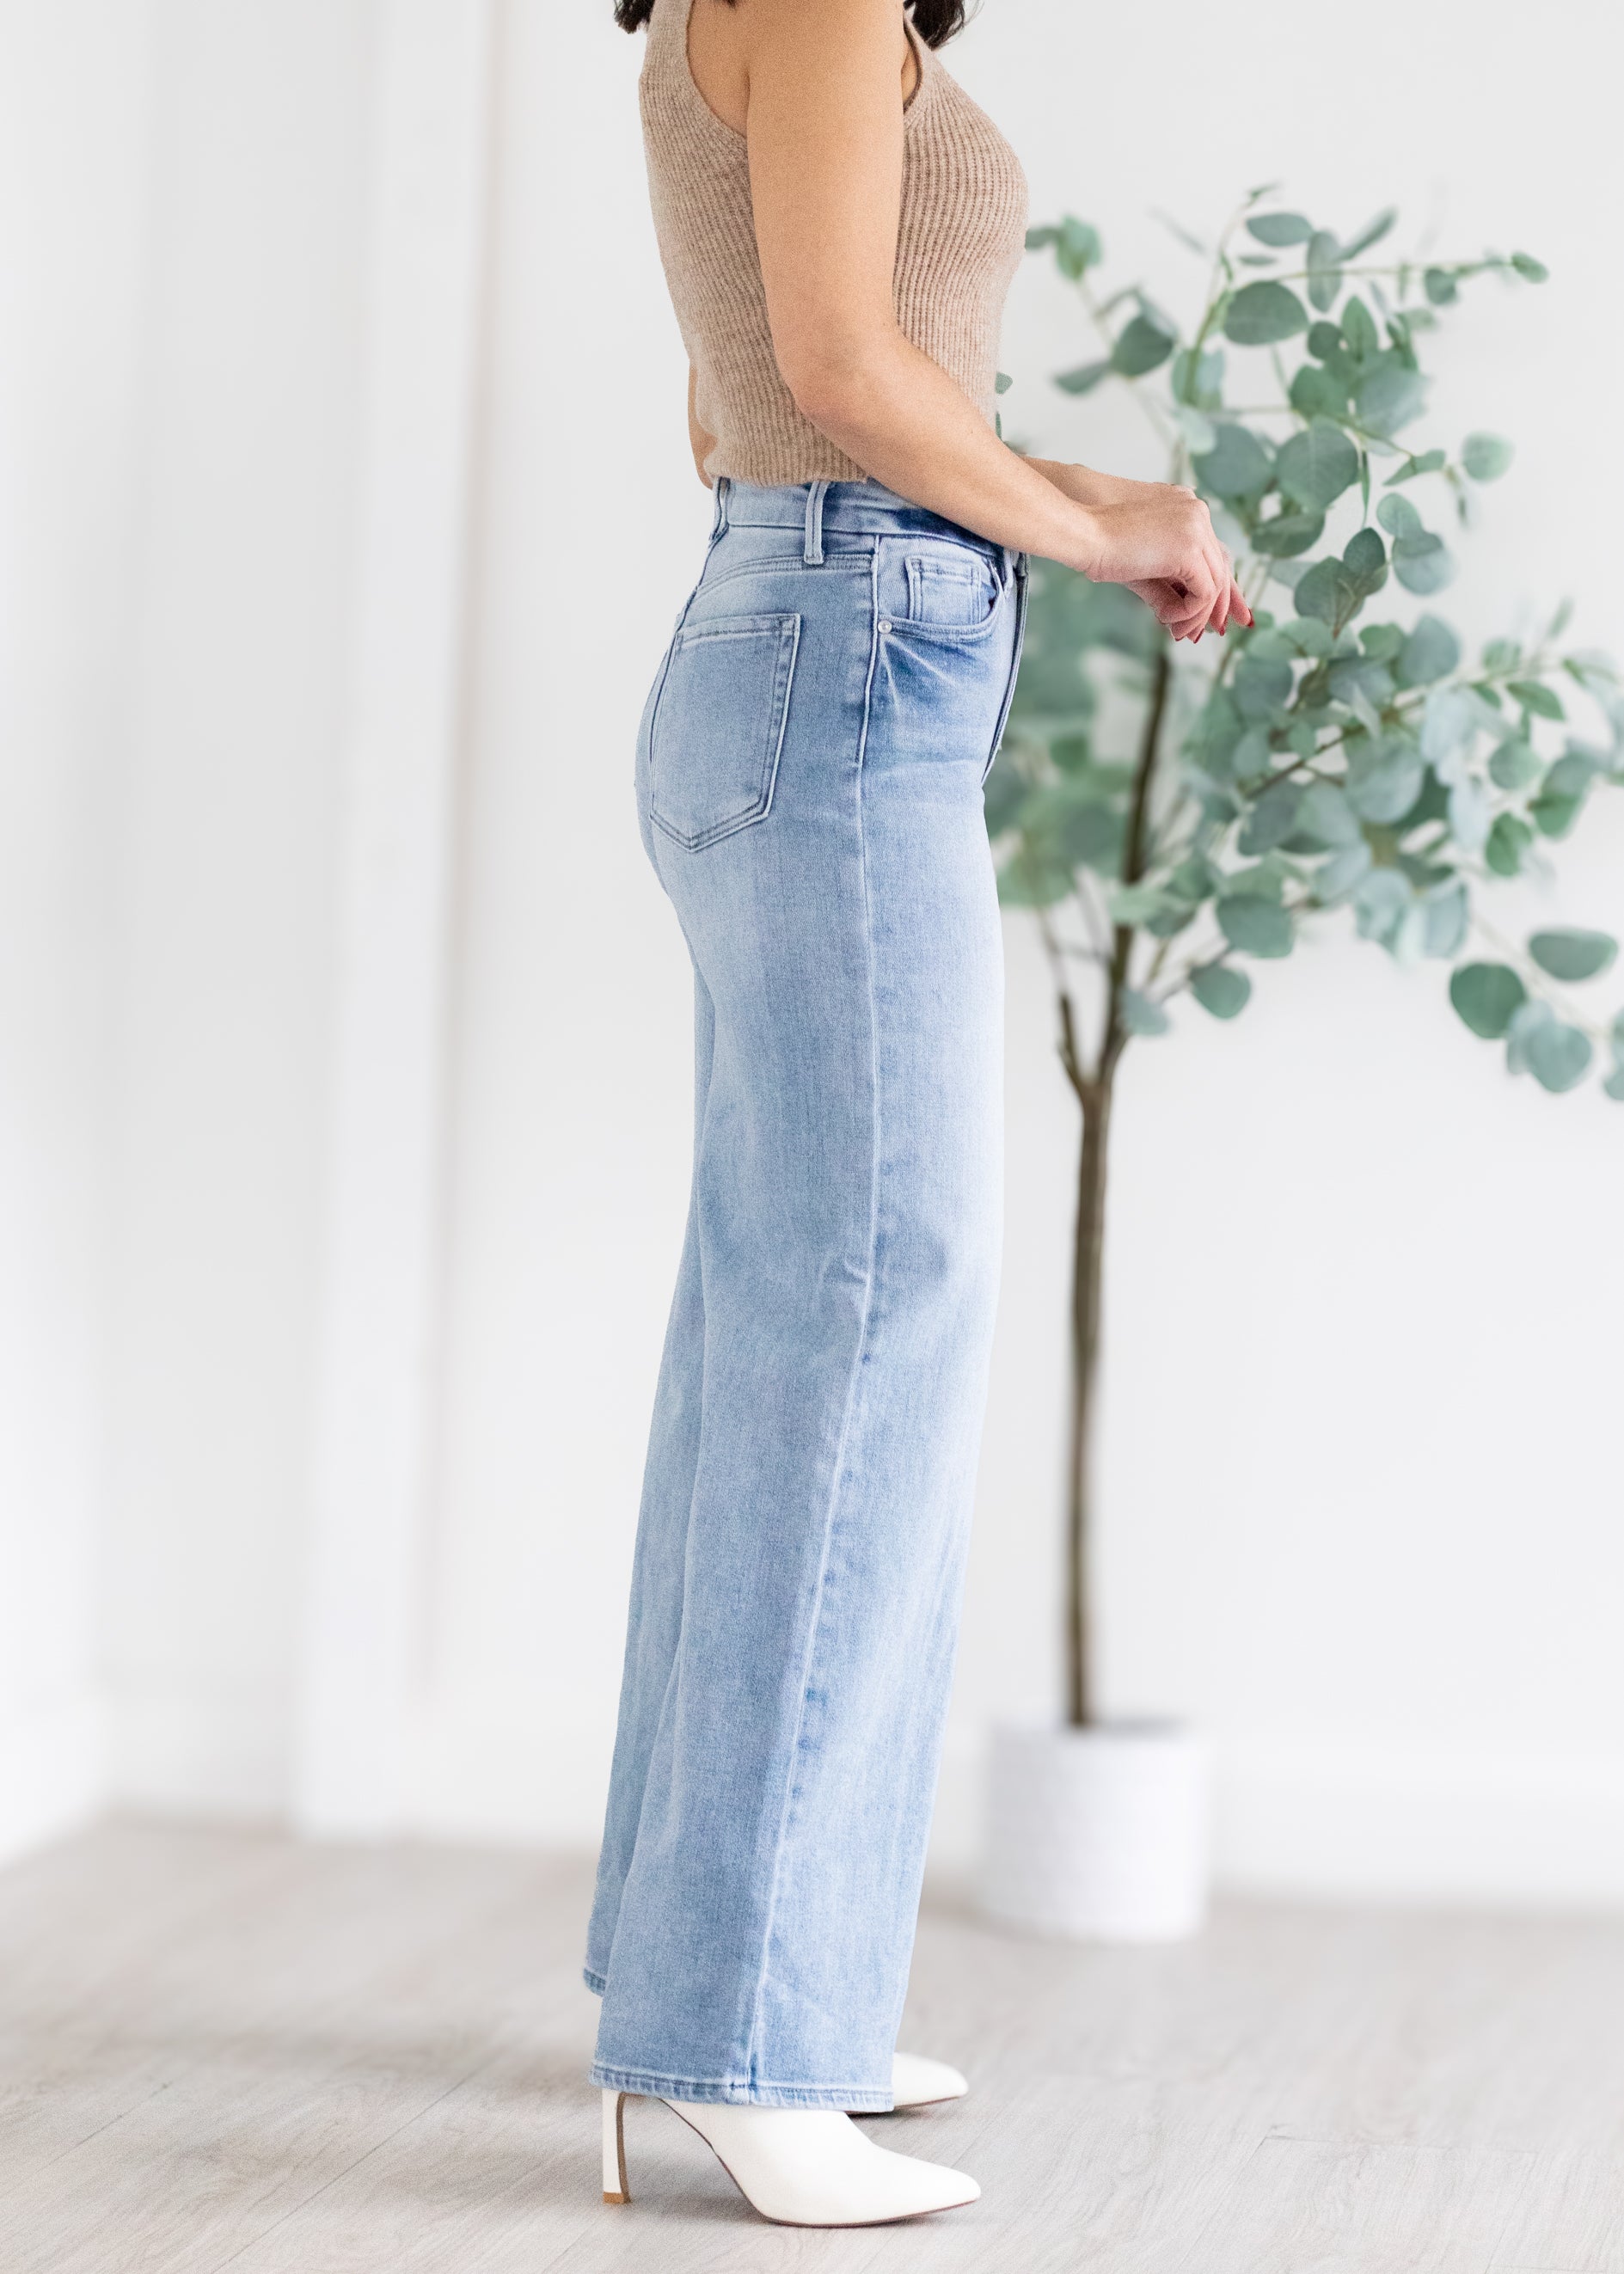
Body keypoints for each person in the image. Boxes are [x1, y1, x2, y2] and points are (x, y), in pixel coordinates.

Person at [585, 0, 1249, 2230]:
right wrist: (1093, 516)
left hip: (811, 643)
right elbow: (845, 380)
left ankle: (730, 1994)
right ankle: (736, 2032)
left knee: (781, 1327)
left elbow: (741, 399)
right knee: (862, 1315)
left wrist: (1043, 513)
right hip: (844, 657)